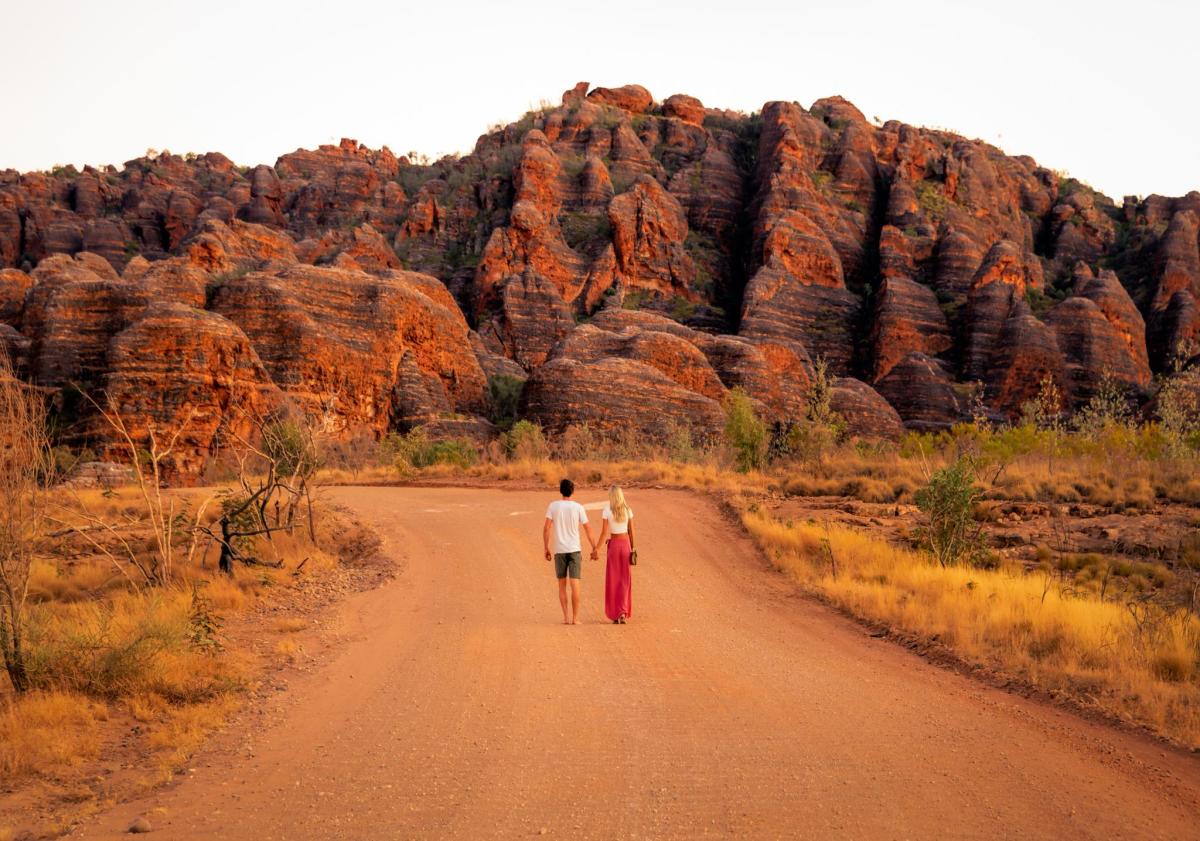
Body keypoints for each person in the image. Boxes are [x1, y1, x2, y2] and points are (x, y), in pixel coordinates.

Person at [543, 478, 597, 625]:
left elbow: (547, 528)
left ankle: (566, 617)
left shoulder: (553, 506)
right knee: (575, 584)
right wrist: (594, 547)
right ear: (572, 491)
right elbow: (588, 528)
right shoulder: (578, 507)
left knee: (562, 585)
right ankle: (575, 618)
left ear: (561, 490)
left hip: (559, 550)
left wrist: (546, 547)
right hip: (574, 550)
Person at [594, 484, 634, 624]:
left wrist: (596, 549)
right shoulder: (627, 510)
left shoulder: (607, 511)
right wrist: (632, 549)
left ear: (612, 496)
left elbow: (604, 533)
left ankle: (615, 614)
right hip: (625, 545)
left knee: (613, 580)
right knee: (625, 580)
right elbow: (631, 531)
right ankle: (622, 612)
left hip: (614, 546)